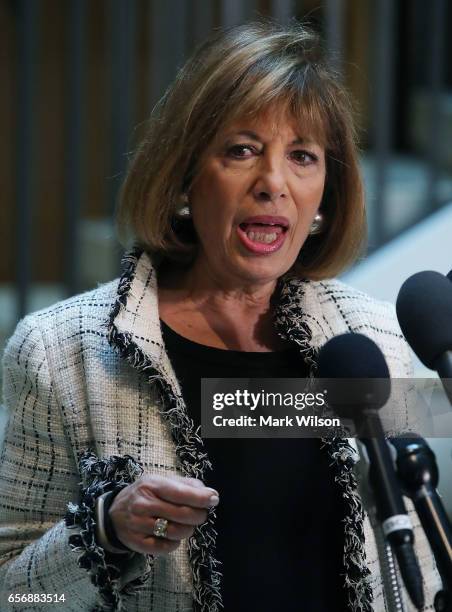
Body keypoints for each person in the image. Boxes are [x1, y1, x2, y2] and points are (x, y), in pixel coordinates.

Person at [0, 20, 442, 612]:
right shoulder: (61, 352)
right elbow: (17, 594)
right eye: (242, 150)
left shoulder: (368, 337)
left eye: (303, 157)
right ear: (185, 177)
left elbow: (411, 561)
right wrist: (105, 529)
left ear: (324, 200)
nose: (273, 183)